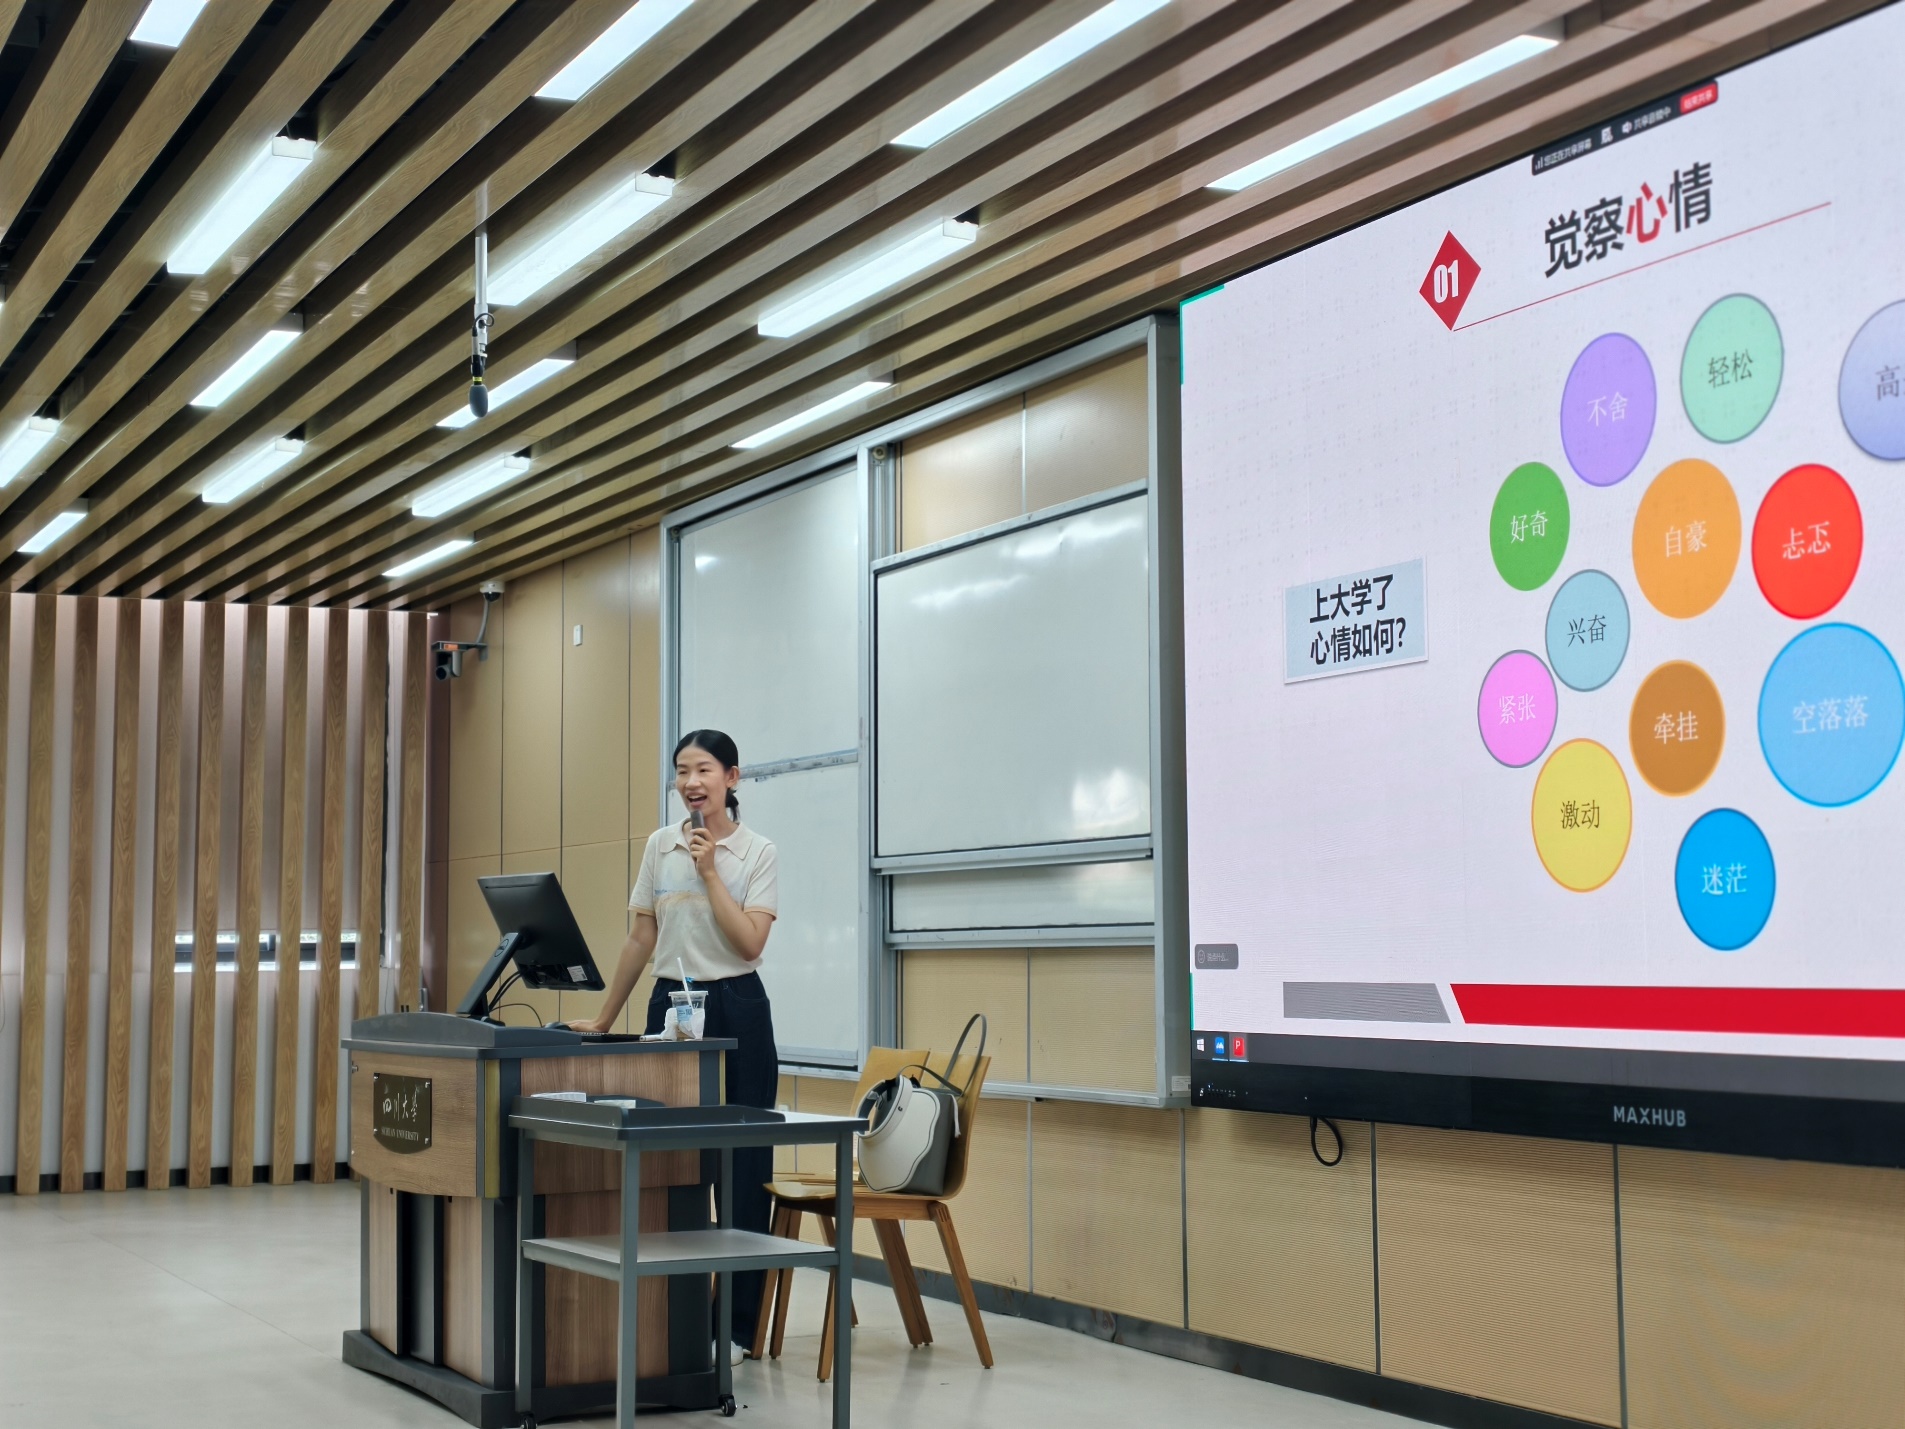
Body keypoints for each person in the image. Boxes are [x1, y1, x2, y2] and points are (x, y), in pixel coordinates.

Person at [568, 729, 780, 1356]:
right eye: (682, 771)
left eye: (704, 769)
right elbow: (641, 938)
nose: (691, 782)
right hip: (672, 1005)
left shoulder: (757, 851)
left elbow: (750, 943)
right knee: (669, 1162)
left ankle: (737, 1326)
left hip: (737, 1008)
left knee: (742, 1167)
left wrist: (710, 871)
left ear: (732, 778)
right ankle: (673, 1313)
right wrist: (605, 1018)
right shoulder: (660, 845)